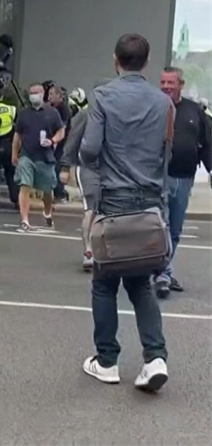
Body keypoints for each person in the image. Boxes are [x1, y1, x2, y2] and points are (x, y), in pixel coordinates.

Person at [80, 33, 171, 392]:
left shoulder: (103, 96)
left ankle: (107, 360)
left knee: (104, 283)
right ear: (146, 63)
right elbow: (166, 154)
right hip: (149, 201)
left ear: (115, 59)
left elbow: (89, 149)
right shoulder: (164, 102)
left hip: (113, 200)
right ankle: (155, 356)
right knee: (141, 283)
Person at [154, 66, 212, 299]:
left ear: (181, 84)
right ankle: (163, 274)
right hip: (158, 177)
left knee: (175, 229)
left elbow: (207, 143)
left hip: (184, 178)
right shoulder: (154, 107)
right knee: (161, 225)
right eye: (163, 82)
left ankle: (161, 270)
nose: (166, 87)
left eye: (171, 83)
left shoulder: (194, 110)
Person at [59, 81, 110, 271]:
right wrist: (65, 166)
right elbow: (73, 140)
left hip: (110, 170)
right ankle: (88, 250)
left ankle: (102, 249)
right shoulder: (85, 115)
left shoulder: (116, 115)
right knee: (91, 208)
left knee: (107, 211)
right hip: (87, 167)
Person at [11, 83, 65, 231]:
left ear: (43, 94)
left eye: (36, 92)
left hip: (45, 157)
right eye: (31, 92)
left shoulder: (52, 113)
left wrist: (53, 140)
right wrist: (14, 153)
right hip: (27, 155)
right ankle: (25, 220)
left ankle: (47, 212)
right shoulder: (24, 113)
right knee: (25, 185)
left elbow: (61, 131)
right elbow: (17, 135)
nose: (33, 95)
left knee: (47, 191)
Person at [47, 85, 71, 203]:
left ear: (58, 96)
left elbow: (62, 127)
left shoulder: (63, 110)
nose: (49, 97)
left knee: (57, 167)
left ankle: (60, 194)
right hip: (53, 142)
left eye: (52, 94)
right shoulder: (51, 108)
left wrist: (55, 140)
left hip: (62, 144)